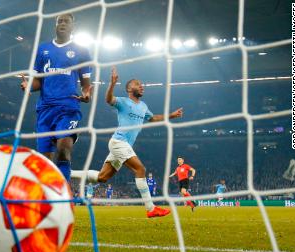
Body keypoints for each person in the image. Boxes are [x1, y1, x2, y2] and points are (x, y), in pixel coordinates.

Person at [73, 67, 183, 218]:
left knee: (102, 177)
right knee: (140, 169)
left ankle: (67, 173)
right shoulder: (123, 102)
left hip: (123, 145)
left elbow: (152, 118)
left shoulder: (143, 106)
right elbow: (108, 100)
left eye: (141, 84)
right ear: (129, 89)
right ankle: (150, 208)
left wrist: (171, 115)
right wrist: (112, 84)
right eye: (138, 84)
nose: (142, 86)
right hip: (119, 142)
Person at [20, 13, 92, 182]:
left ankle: (65, 198)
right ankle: (47, 198)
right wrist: (28, 86)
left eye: (67, 21)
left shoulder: (81, 51)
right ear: (55, 25)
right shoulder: (42, 49)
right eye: (59, 21)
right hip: (45, 109)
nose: (63, 23)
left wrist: (87, 93)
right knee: (44, 161)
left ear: (72, 26)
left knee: (63, 151)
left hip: (68, 108)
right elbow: (39, 81)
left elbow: (86, 83)